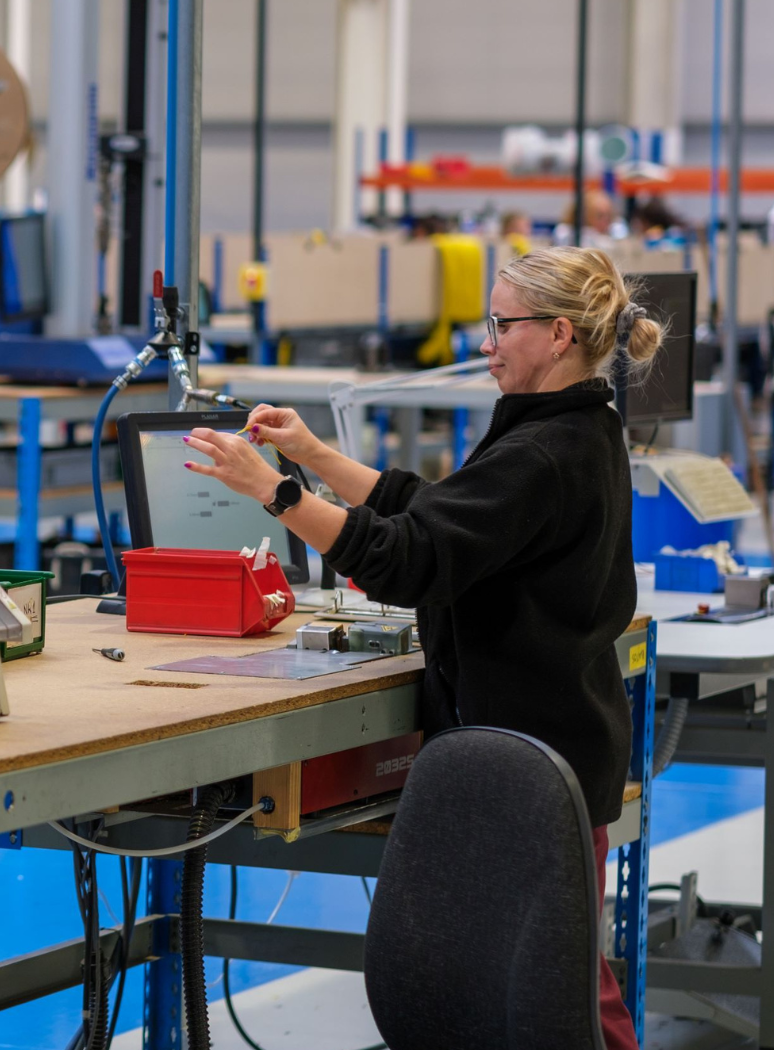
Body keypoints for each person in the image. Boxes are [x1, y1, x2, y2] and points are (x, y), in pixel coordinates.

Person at [180, 246, 660, 1050]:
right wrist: (316, 455)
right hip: (551, 751)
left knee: (558, 996)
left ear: (557, 333)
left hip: (530, 767)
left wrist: (276, 492)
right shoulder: (574, 428)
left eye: (502, 325)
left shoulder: (544, 453)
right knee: (556, 981)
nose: (485, 343)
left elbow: (409, 560)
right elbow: (444, 516)